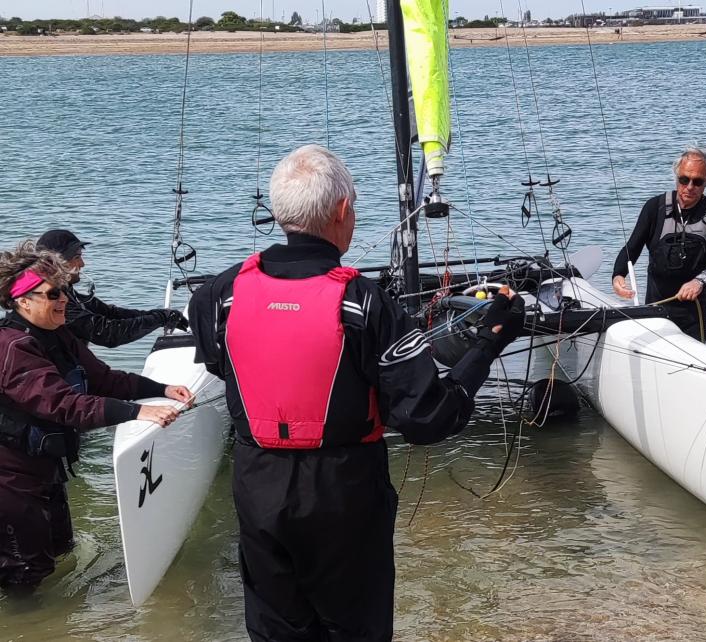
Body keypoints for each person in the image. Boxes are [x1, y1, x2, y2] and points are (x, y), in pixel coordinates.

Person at [188, 144, 525, 641]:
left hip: (257, 483)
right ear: (343, 210)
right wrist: (488, 343)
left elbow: (225, 367)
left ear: (281, 211)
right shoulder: (366, 304)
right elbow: (428, 419)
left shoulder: (216, 297)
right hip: (342, 491)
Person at [0, 241, 188, 592]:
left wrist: (162, 389)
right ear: (22, 300)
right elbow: (66, 404)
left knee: (61, 552)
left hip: (45, 471)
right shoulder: (11, 348)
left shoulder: (59, 335)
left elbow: (103, 379)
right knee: (25, 573)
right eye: (53, 293)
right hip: (10, 480)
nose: (64, 300)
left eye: (65, 291)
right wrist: (138, 412)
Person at [612, 146, 706, 341]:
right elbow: (632, 247)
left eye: (697, 182)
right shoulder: (655, 207)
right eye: (684, 179)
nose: (689, 187)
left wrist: (699, 281)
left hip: (694, 312)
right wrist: (618, 274)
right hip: (656, 305)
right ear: (676, 176)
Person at [36, 229, 187, 348]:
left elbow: (111, 313)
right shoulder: (53, 301)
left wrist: (159, 315)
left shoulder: (69, 293)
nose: (82, 264)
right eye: (77, 257)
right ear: (55, 263)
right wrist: (160, 318)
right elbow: (107, 333)